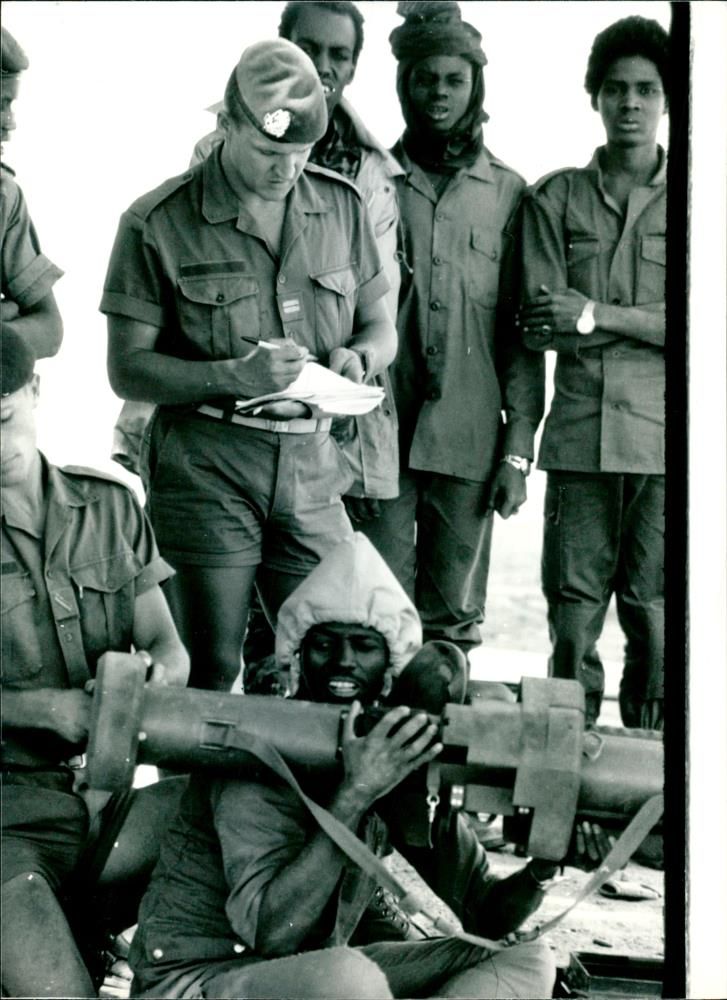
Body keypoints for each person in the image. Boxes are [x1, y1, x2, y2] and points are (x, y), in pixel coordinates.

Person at [128, 533, 559, 999]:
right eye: (325, 644)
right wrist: (355, 794)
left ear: (390, 662)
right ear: (298, 654)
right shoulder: (262, 749)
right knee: (351, 979)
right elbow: (275, 932)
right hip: (198, 981)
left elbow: (483, 912)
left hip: (311, 973)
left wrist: (545, 865)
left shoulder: (390, 750)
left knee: (524, 958)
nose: (343, 662)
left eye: (364, 646)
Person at [101, 39, 397, 692]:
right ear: (227, 125)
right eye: (268, 151)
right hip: (207, 466)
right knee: (207, 670)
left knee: (339, 656)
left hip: (316, 467)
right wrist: (232, 376)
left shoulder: (341, 205)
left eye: (300, 153)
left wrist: (362, 357)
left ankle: (304, 799)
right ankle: (196, 797)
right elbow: (127, 370)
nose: (285, 169)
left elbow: (381, 324)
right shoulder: (158, 221)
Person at [0, 329, 190, 997]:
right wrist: (38, 710)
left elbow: (168, 646)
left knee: (230, 805)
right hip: (7, 822)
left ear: (34, 391)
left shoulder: (109, 505)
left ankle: (134, 950)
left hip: (104, 807)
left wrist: (153, 681)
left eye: (3, 417)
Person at [360, 1, 545, 656]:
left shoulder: (509, 194)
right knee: (373, 613)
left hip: (469, 441)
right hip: (377, 435)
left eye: (452, 80)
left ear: (475, 87)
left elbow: (522, 337)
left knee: (451, 627)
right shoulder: (368, 180)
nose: (437, 93)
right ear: (403, 84)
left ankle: (434, 753)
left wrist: (517, 453)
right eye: (423, 77)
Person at [518, 16, 668, 729]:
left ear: (669, 99)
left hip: (668, 448)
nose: (629, 104)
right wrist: (646, 322)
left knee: (657, 617)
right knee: (572, 619)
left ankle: (652, 797)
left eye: (645, 89)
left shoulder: (702, 201)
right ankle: (564, 789)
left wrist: (595, 314)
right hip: (578, 442)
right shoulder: (554, 200)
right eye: (615, 89)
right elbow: (542, 319)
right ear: (595, 98)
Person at [1, 25, 63, 360]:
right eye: (0, 104)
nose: (9, 123)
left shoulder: (5, 196)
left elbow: (50, 329)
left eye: (10, 104)